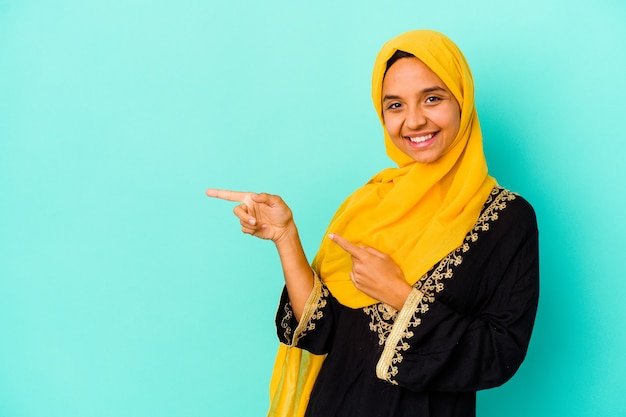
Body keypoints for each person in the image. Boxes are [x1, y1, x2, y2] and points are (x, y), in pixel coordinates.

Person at [206, 29, 539, 417]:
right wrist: (285, 237)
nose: (413, 121)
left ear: (462, 101)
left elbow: (499, 353)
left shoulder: (505, 218)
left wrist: (399, 293)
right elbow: (322, 332)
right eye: (395, 105)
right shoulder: (370, 202)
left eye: (432, 98)